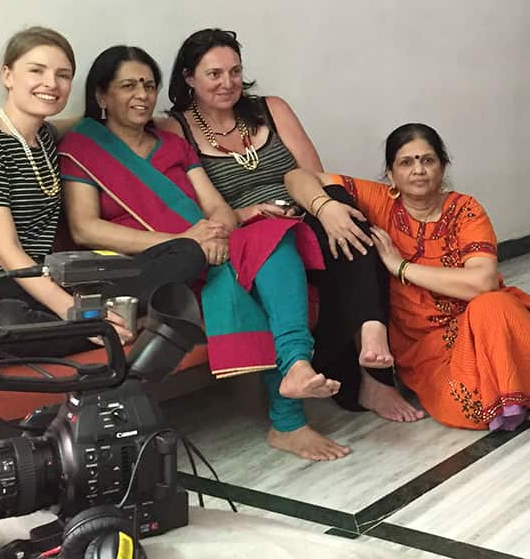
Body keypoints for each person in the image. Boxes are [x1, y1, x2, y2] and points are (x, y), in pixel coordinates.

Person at [59, 46, 356, 461]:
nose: (142, 95)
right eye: (128, 85)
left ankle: (297, 367)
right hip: (150, 267)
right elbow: (84, 227)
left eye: (148, 84)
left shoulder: (171, 144)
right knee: (248, 271)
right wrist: (184, 242)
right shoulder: (83, 147)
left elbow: (214, 205)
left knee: (274, 233)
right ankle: (288, 419)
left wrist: (214, 232)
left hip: (204, 246)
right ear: (102, 96)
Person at [155, 28, 422, 424]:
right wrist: (249, 212)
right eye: (214, 74)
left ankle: (372, 354)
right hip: (249, 231)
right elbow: (191, 203)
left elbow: (312, 172)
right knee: (308, 236)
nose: (227, 83)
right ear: (189, 78)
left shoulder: (270, 109)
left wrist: (325, 208)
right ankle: (364, 371)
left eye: (234, 71)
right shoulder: (174, 128)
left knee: (347, 217)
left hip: (303, 210)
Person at [0, 28, 205, 359]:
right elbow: (9, 256)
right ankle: (113, 324)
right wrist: (75, 311)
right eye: (36, 70)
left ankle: (108, 323)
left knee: (186, 251)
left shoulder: (45, 139)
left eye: (63, 75)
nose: (51, 83)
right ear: (7, 75)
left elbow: (88, 122)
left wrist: (145, 116)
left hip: (51, 282)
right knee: (4, 323)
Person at [313, 123, 530, 430]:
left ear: (443, 167)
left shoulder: (465, 210)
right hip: (427, 349)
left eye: (428, 160)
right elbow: (302, 178)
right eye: (406, 162)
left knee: (491, 305)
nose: (418, 169)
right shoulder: (380, 203)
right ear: (390, 174)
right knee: (471, 411)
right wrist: (325, 208)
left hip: (484, 327)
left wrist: (400, 267)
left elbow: (481, 282)